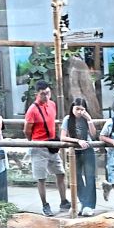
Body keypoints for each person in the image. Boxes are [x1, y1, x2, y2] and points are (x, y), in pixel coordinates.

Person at [24, 81, 67, 216]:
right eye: (43, 94)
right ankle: (45, 204)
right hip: (39, 145)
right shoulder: (32, 110)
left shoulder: (53, 104)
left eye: (48, 93)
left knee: (61, 173)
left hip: (52, 145)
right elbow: (27, 130)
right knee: (41, 177)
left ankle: (64, 200)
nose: (46, 96)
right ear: (37, 94)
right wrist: (33, 142)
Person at [60, 97, 97, 216]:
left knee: (90, 177)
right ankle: (82, 201)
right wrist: (77, 140)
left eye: (82, 109)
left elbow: (93, 134)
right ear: (72, 108)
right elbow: (63, 137)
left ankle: (89, 205)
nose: (79, 112)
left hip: (88, 150)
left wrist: (89, 119)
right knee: (76, 178)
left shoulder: (86, 119)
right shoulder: (68, 119)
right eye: (77, 109)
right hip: (75, 151)